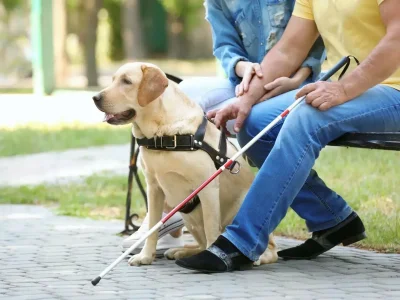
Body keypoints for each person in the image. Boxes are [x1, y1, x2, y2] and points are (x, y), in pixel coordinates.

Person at [175, 0, 400, 272]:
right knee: (255, 122)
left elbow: (396, 40)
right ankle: (331, 219)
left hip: (392, 90)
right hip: (348, 90)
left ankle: (241, 241)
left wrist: (342, 90)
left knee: (308, 116)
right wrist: (246, 99)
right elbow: (288, 50)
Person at [121, 0, 325, 255]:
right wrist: (245, 67)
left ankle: (186, 208)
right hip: (241, 80)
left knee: (251, 118)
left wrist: (296, 78)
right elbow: (225, 46)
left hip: (293, 81)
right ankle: (172, 209)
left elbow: (315, 37)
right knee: (183, 97)